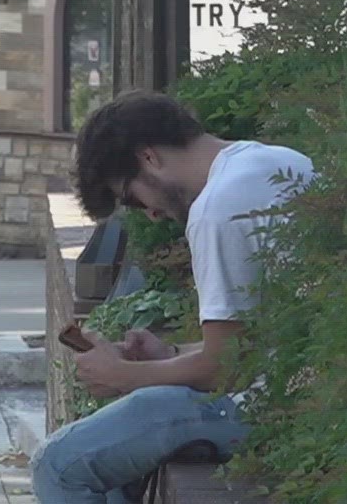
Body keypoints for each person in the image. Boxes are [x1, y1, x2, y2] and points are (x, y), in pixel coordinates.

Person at [30, 91, 315, 503]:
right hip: (308, 387)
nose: (149, 214)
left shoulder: (218, 210)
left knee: (58, 466)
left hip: (271, 407)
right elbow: (258, 341)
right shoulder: (279, 161)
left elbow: (225, 369)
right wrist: (172, 354)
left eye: (131, 197)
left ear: (149, 157)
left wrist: (124, 377)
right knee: (113, 466)